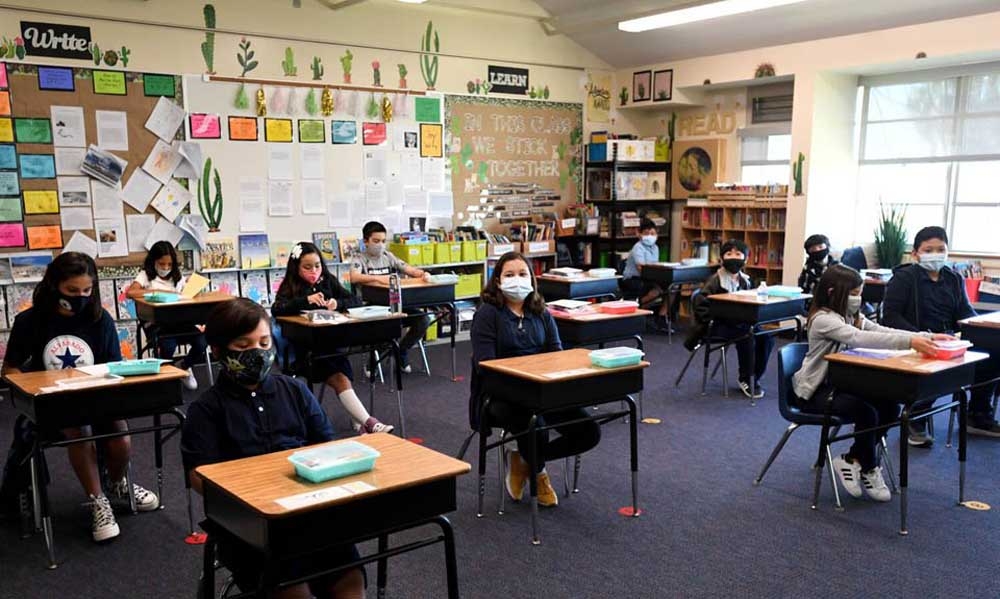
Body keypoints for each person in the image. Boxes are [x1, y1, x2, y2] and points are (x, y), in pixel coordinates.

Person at [181, 299, 365, 599]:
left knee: (350, 581)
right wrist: (250, 489)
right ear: (217, 351)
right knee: (294, 592)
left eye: (264, 342)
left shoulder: (294, 391)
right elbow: (199, 476)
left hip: (310, 512)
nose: (257, 353)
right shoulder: (206, 410)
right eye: (243, 346)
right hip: (248, 526)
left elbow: (328, 445)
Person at [2, 252, 159, 542]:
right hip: (50, 406)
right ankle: (98, 500)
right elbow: (9, 369)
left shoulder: (100, 319)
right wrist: (30, 385)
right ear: (54, 286)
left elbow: (114, 367)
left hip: (95, 400)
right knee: (79, 430)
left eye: (87, 291)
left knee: (119, 433)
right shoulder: (30, 321)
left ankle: (115, 483)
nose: (80, 297)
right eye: (72, 291)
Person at [792, 264, 950, 502]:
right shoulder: (823, 319)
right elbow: (860, 337)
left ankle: (853, 460)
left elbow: (880, 329)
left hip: (845, 385)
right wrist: (911, 342)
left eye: (860, 293)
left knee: (890, 406)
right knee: (865, 412)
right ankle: (870, 465)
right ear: (834, 292)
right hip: (817, 390)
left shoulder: (851, 315)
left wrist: (924, 337)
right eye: (854, 294)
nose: (858, 299)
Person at [469, 251, 601, 507]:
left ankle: (526, 462)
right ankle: (539, 474)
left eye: (522, 274)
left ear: (531, 279)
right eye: (509, 275)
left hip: (543, 391)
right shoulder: (488, 314)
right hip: (501, 395)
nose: (516, 280)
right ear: (497, 281)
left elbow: (556, 354)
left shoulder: (541, 312)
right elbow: (486, 366)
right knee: (534, 426)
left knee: (588, 431)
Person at [882, 226, 1000, 444]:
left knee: (993, 355)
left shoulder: (953, 278)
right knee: (942, 366)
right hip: (917, 341)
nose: (935, 254)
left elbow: (965, 313)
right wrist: (923, 337)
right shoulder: (904, 278)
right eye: (928, 249)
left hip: (950, 341)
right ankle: (915, 419)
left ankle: (978, 415)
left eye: (940, 249)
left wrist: (981, 327)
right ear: (916, 253)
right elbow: (890, 317)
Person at [272, 242, 393, 434]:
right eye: (307, 267)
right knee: (339, 376)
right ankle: (368, 422)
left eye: (318, 265)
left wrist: (337, 303)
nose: (314, 271)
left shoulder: (327, 280)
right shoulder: (290, 286)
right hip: (305, 351)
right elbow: (277, 309)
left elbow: (355, 300)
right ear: (296, 267)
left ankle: (363, 421)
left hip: (330, 343)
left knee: (341, 374)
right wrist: (305, 301)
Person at [687, 240, 774, 399]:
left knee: (767, 337)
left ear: (745, 259)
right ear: (722, 259)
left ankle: (755, 376)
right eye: (729, 254)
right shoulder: (714, 280)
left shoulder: (746, 280)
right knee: (747, 336)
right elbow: (701, 307)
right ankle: (745, 377)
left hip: (741, 322)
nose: (733, 257)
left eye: (738, 254)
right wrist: (720, 316)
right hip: (716, 325)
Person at [348, 221, 431, 373]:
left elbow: (408, 269)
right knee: (387, 324)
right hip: (372, 308)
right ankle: (375, 358)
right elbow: (354, 277)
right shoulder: (359, 258)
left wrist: (422, 274)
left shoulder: (388, 256)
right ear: (366, 241)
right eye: (376, 241)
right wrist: (380, 279)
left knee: (424, 319)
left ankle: (401, 351)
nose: (380, 245)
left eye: (383, 241)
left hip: (395, 304)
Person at [126, 240, 204, 390]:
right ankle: (167, 379)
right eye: (162, 264)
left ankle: (183, 366)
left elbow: (185, 295)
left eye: (169, 264)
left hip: (179, 322)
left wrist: (193, 289)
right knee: (169, 344)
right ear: (154, 261)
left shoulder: (176, 277)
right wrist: (157, 292)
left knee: (202, 341)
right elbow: (131, 292)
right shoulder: (145, 275)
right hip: (157, 325)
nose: (166, 268)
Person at [621, 218, 673, 330]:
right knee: (656, 291)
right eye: (646, 233)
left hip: (650, 278)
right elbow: (642, 269)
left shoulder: (655, 248)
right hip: (633, 279)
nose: (650, 236)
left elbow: (654, 266)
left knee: (673, 288)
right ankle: (634, 309)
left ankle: (662, 316)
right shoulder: (637, 248)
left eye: (653, 233)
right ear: (639, 234)